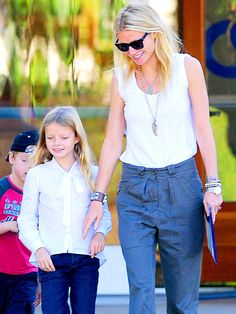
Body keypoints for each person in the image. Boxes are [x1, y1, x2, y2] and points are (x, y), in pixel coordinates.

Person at [83, 3, 223, 314]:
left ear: (155, 35)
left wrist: (213, 184)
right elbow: (111, 140)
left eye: (136, 42)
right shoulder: (121, 77)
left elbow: (203, 129)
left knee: (183, 300)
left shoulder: (188, 68)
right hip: (135, 189)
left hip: (182, 186)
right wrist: (97, 197)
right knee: (142, 291)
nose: (130, 51)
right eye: (123, 45)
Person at [18, 106, 112, 314]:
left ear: (77, 137)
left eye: (64, 137)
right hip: (51, 259)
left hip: (86, 256)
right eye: (50, 138)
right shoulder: (37, 175)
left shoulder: (94, 174)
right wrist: (38, 247)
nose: (57, 143)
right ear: (44, 139)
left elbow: (103, 213)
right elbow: (26, 219)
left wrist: (99, 234)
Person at [0, 129, 40, 314]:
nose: (29, 167)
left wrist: (41, 279)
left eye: (36, 162)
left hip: (26, 276)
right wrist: (7, 226)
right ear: (12, 158)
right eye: (25, 160)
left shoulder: (41, 197)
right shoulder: (2, 189)